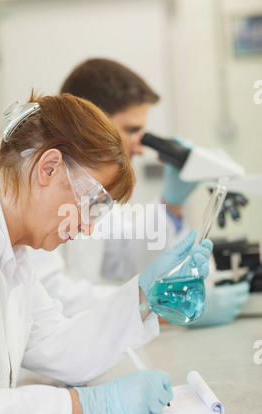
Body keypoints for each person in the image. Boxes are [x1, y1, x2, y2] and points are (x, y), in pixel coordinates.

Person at [0, 91, 213, 414]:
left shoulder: (14, 253)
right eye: (92, 203)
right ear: (48, 167)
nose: (89, 227)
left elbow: (61, 348)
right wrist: (94, 406)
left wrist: (147, 293)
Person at [59, 58, 250, 327]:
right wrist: (157, 307)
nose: (139, 148)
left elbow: (125, 260)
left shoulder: (93, 192)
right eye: (131, 131)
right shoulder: (43, 188)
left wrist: (171, 203)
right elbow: (56, 299)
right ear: (91, 124)